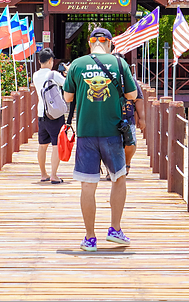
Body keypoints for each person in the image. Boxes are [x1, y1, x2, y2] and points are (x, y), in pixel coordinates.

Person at [62, 27, 138, 252]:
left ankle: (89, 238)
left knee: (88, 185)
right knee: (118, 179)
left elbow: (68, 97)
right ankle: (115, 230)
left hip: (86, 133)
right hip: (113, 132)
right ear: (109, 43)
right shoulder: (119, 64)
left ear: (89, 42)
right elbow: (132, 96)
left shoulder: (76, 64)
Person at [32, 48, 66, 183]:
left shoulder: (35, 75)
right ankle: (54, 175)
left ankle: (43, 174)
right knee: (56, 145)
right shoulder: (53, 74)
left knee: (42, 145)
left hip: (41, 113)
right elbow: (67, 84)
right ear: (51, 61)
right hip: (54, 114)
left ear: (40, 61)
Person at [121, 77, 146, 175]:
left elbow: (138, 99)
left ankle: (127, 162)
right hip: (108, 117)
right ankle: (112, 169)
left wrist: (141, 118)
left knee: (131, 142)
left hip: (127, 117)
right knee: (109, 144)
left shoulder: (129, 79)